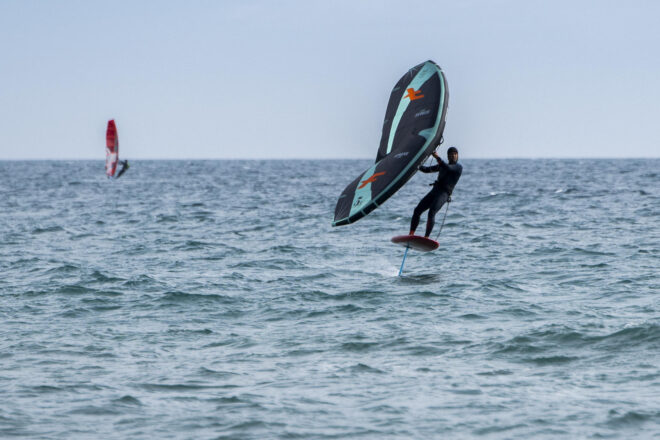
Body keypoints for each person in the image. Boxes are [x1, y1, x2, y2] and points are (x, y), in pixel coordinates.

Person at [409, 146, 462, 237]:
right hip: (434, 191)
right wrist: (414, 165)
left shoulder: (458, 167)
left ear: (457, 156)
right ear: (448, 156)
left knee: (431, 212)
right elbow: (426, 170)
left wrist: (437, 157)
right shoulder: (442, 166)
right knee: (417, 210)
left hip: (443, 194)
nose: (453, 156)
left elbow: (448, 168)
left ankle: (426, 237)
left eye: (455, 154)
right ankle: (411, 234)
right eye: (451, 154)